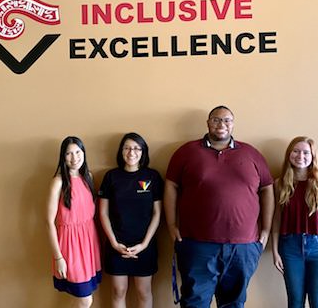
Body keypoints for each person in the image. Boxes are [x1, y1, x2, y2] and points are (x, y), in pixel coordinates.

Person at [164, 105, 275, 308]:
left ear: (233, 124)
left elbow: (267, 188)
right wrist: (171, 224)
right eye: (216, 119)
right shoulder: (186, 152)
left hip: (243, 246)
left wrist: (266, 229)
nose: (221, 124)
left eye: (226, 120)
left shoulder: (251, 154)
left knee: (233, 303)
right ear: (208, 123)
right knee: (194, 302)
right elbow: (171, 185)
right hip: (197, 244)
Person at [271, 136, 318, 308]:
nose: (300, 156)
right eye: (295, 151)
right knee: (295, 302)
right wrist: (275, 251)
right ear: (289, 154)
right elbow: (276, 220)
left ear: (313, 156)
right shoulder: (279, 184)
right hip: (290, 248)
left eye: (305, 152)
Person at [99, 132, 164, 308]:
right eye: (127, 148)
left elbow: (158, 213)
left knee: (144, 292)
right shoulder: (111, 177)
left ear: (143, 152)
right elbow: (103, 213)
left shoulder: (152, 177)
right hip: (116, 245)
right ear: (121, 151)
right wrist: (114, 243)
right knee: (118, 291)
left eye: (136, 148)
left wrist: (144, 244)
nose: (131, 152)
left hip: (145, 245)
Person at [46, 136, 102, 308]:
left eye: (78, 152)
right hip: (69, 246)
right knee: (86, 300)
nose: (74, 157)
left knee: (81, 298)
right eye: (69, 153)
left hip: (89, 243)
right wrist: (58, 257)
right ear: (63, 157)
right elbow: (48, 222)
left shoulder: (88, 178)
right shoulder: (58, 182)